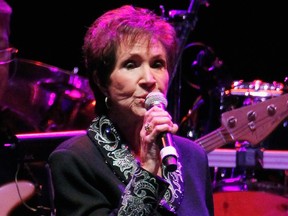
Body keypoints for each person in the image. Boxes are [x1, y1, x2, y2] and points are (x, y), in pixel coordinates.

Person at [48, 5, 214, 216]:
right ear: (101, 81)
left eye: (157, 64)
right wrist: (148, 168)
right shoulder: (74, 160)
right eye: (130, 64)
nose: (149, 79)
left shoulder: (194, 156)